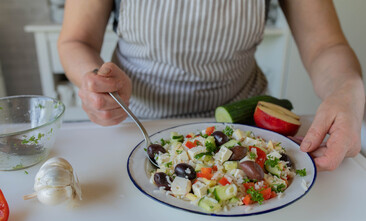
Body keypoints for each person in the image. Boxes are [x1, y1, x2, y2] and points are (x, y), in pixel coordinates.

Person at [58, 0, 365, 171]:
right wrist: (97, 80)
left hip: (244, 126)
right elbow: (76, 40)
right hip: (137, 123)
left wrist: (347, 90)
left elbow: (326, 45)